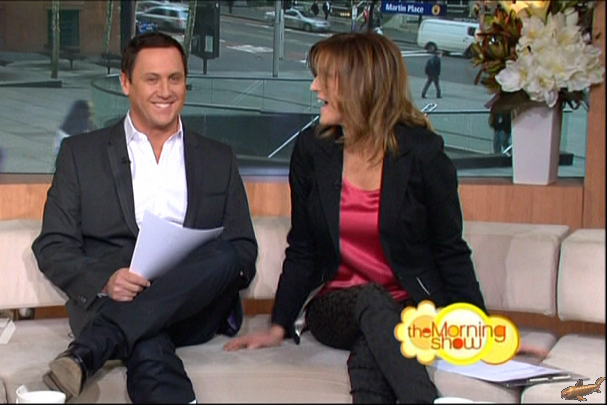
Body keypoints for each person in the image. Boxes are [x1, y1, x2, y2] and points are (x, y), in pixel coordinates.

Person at [223, 32, 486, 403]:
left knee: (372, 351)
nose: (314, 87)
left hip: (411, 308)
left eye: (325, 78)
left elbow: (450, 249)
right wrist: (278, 324)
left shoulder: (422, 154)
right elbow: (303, 247)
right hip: (335, 305)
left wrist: (481, 331)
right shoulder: (313, 151)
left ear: (360, 85)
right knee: (373, 301)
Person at [32, 32, 258, 403]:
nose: (165, 91)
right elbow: (53, 245)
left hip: (193, 309)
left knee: (226, 254)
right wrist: (106, 281)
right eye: (152, 79)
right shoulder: (81, 154)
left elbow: (243, 249)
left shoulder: (218, 157)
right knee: (148, 338)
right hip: (113, 300)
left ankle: (89, 350)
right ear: (125, 83)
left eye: (175, 78)